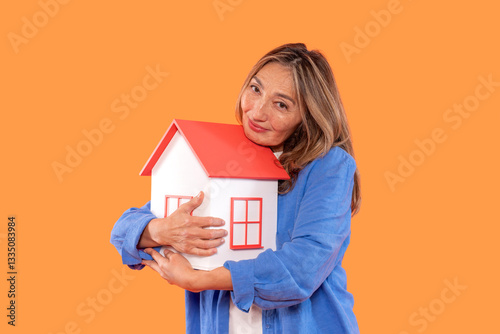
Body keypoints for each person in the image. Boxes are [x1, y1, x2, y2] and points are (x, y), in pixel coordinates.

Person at [110, 42, 361, 333]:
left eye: (281, 104)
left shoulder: (328, 166)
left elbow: (303, 267)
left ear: (307, 117)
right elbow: (123, 231)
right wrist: (161, 230)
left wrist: (197, 280)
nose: (257, 112)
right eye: (255, 89)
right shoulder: (225, 154)